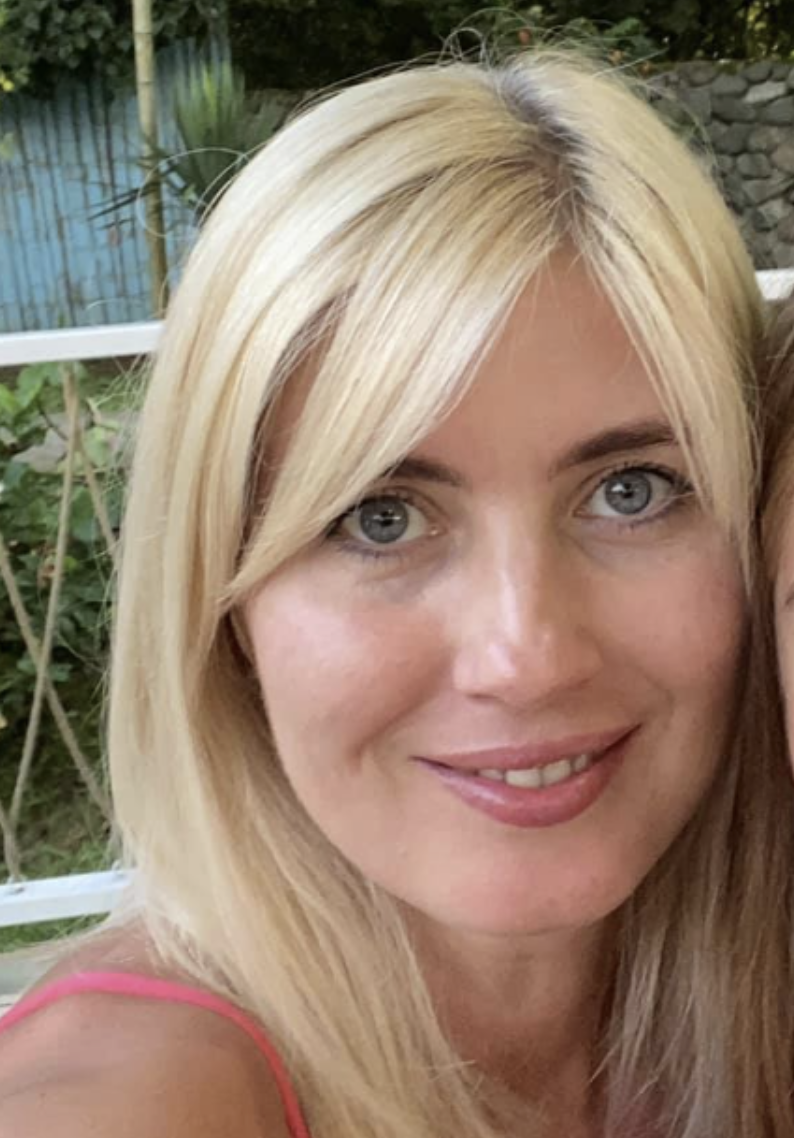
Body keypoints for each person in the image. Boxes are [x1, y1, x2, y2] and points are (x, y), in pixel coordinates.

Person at [2, 49, 794, 1138]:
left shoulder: (751, 996)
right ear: (225, 610)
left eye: (631, 490)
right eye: (380, 517)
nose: (525, 658)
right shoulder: (136, 1089)